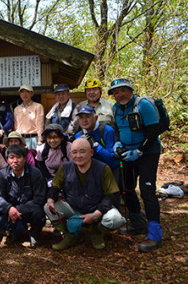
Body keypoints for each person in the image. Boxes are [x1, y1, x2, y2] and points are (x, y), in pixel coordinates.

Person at [109, 78, 163, 252]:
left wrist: (139, 151)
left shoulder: (143, 105)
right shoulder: (115, 108)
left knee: (147, 191)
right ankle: (137, 222)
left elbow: (153, 131)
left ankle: (155, 234)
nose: (119, 95)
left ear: (131, 90)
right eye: (116, 92)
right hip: (127, 152)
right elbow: (117, 129)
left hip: (148, 152)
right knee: (126, 188)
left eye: (123, 90)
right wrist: (117, 144)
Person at [44, 138, 125, 251]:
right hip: (74, 208)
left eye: (82, 151)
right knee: (48, 207)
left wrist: (95, 215)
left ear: (91, 152)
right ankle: (69, 235)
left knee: (115, 218)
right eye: (74, 152)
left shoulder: (102, 169)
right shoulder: (66, 168)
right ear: (70, 153)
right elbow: (55, 187)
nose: (78, 155)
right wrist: (50, 200)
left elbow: (112, 195)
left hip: (97, 209)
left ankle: (97, 232)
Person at [0, 145, 47, 245]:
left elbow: (39, 198)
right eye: (11, 157)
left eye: (19, 157)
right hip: (10, 209)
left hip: (28, 209)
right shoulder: (1, 174)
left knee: (39, 214)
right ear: (7, 159)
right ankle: (12, 231)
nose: (15, 160)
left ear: (25, 158)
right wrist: (9, 208)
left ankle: (34, 233)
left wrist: (19, 209)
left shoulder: (35, 173)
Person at [74, 105, 120, 183]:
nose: (84, 120)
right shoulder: (78, 135)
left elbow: (111, 159)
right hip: (91, 173)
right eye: (81, 117)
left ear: (96, 118)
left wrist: (95, 145)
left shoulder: (107, 130)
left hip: (110, 171)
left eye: (87, 116)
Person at [13, 85, 44, 149]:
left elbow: (40, 124)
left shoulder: (38, 106)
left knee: (33, 157)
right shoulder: (17, 109)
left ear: (32, 94)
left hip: (33, 138)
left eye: (27, 92)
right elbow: (15, 126)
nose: (24, 94)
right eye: (22, 92)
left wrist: (40, 140)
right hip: (20, 139)